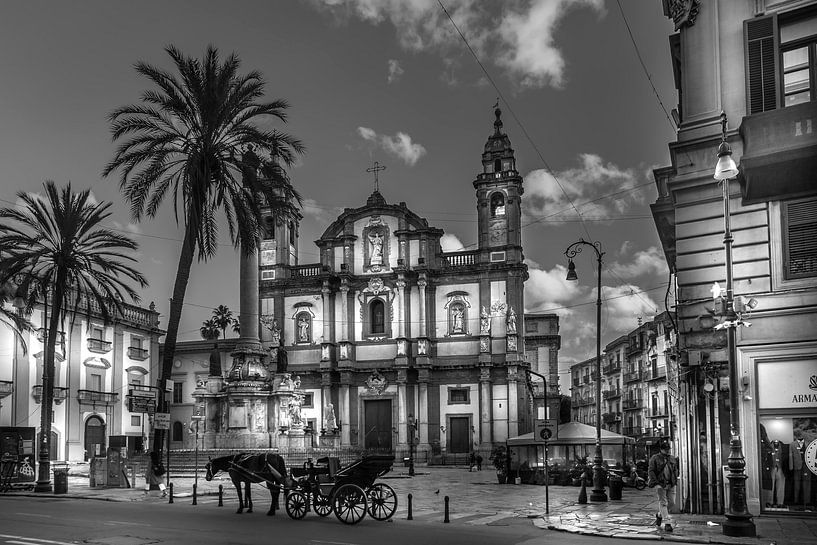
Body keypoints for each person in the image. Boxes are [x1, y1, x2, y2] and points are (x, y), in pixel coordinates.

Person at [648, 439, 678, 532]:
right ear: (661, 449)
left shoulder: (672, 458)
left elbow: (675, 470)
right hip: (661, 483)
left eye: (668, 449)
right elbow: (651, 471)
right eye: (665, 449)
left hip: (671, 483)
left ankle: (659, 515)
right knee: (663, 502)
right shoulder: (655, 458)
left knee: (672, 503)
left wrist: (675, 479)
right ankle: (667, 523)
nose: (668, 451)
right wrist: (656, 483)